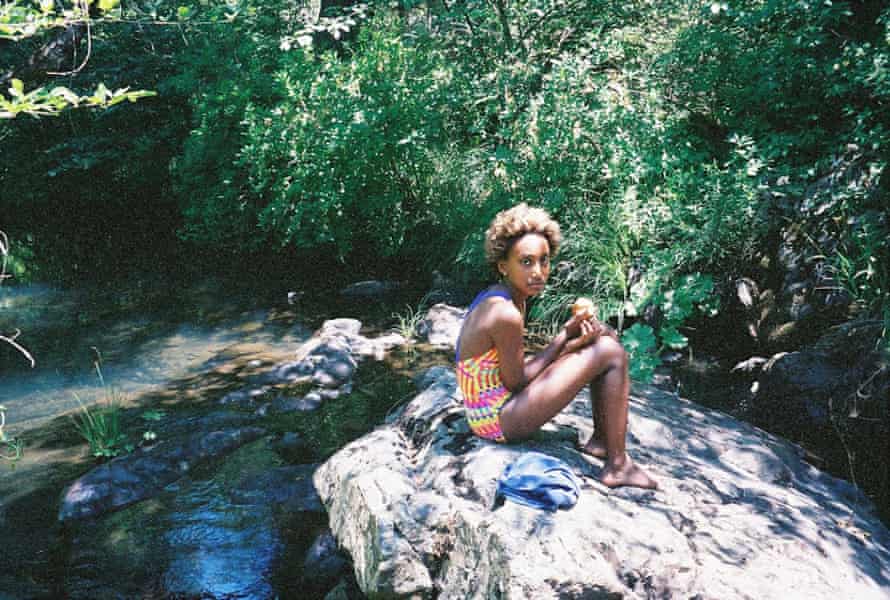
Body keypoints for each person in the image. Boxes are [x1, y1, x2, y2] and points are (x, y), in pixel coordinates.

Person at [455, 203, 657, 489]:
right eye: (526, 262)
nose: (538, 272)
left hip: (495, 408)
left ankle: (603, 441)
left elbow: (513, 377)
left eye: (544, 261)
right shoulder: (505, 313)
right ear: (503, 266)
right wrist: (567, 341)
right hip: (496, 419)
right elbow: (516, 382)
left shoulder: (508, 297)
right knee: (609, 352)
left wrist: (569, 339)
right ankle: (618, 465)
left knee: (604, 340)